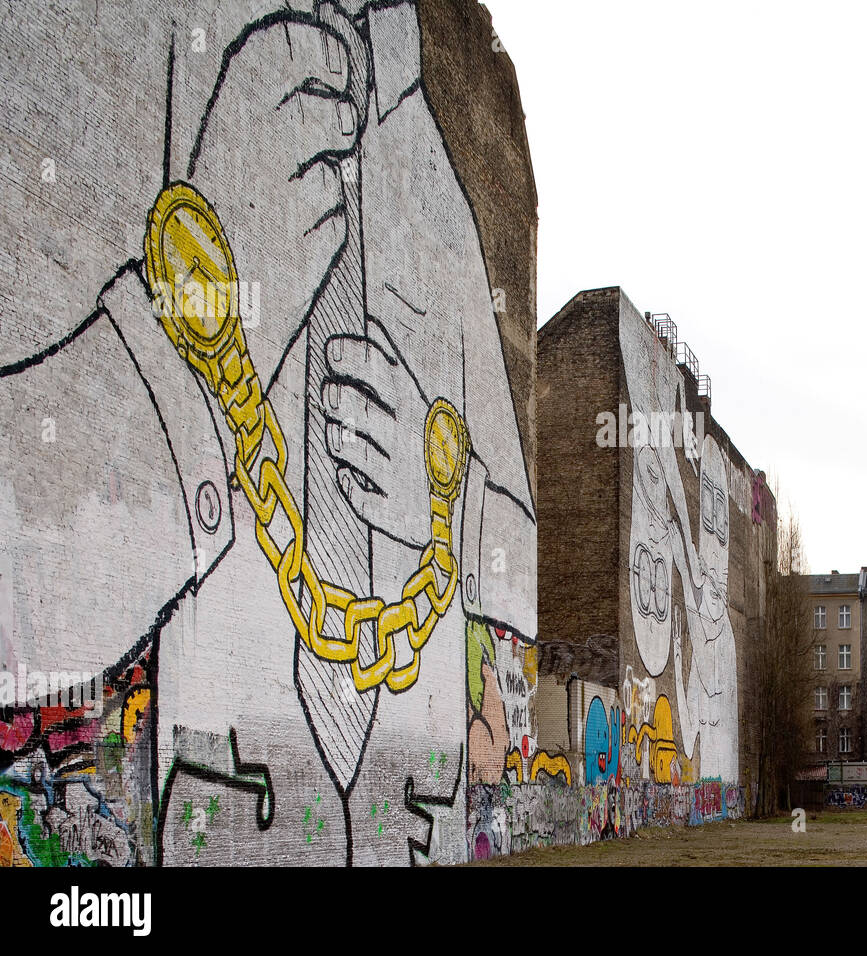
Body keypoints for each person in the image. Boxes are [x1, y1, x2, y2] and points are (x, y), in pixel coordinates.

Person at [0, 0, 533, 866]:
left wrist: (450, 506)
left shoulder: (438, 190)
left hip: (414, 820)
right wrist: (200, 357)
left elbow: (519, 564)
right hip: (201, 807)